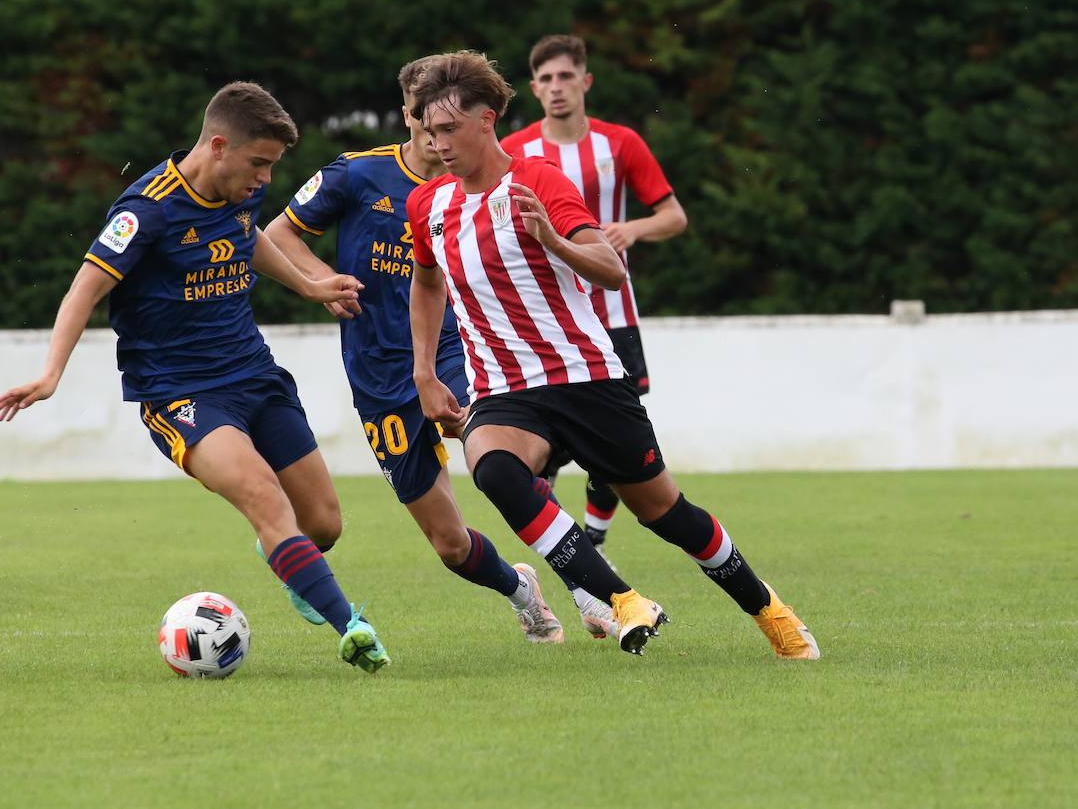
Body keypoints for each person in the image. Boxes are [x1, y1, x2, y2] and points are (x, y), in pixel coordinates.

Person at [407, 51, 819, 659]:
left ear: (487, 120)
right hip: (504, 388)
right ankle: (623, 599)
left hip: (586, 377)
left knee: (665, 514)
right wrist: (423, 370)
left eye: (448, 129)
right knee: (494, 470)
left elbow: (609, 266)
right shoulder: (429, 206)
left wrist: (551, 238)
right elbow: (427, 282)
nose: (436, 143)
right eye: (427, 130)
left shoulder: (538, 182)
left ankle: (768, 608)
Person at [0, 81, 391, 674]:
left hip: (255, 374)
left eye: (272, 167)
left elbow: (246, 236)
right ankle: (352, 628)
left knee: (323, 524)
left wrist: (307, 284)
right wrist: (52, 373)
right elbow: (86, 286)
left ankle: (283, 550)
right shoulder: (146, 210)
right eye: (259, 163)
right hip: (181, 393)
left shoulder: (238, 190)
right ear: (219, 145)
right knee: (264, 496)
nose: (265, 180)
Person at [266, 56, 604, 645]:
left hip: (457, 352)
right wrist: (318, 281)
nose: (433, 128)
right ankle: (521, 590)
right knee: (450, 546)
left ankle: (588, 589)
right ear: (408, 113)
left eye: (445, 118)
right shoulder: (356, 175)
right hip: (376, 377)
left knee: (499, 460)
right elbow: (277, 234)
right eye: (422, 113)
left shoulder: (474, 186)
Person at [500, 34, 688, 561]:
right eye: (547, 79)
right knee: (541, 448)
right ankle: (568, 544)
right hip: (543, 322)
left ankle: (596, 540)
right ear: (534, 89)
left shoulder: (621, 143)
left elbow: (675, 216)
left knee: (613, 447)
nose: (557, 88)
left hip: (612, 317)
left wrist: (634, 229)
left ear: (585, 82)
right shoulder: (514, 151)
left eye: (566, 77)